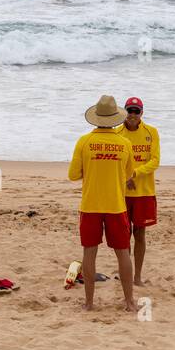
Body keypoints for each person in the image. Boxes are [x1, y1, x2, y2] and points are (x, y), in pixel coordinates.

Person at [69, 95, 136, 312]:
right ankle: (129, 302)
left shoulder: (84, 141)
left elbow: (73, 175)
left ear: (96, 117)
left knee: (89, 253)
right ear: (116, 118)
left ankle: (89, 303)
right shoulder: (124, 143)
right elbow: (129, 175)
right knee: (123, 252)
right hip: (116, 205)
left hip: (90, 205)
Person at [115, 97, 160, 286]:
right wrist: (126, 177)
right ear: (124, 112)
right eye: (129, 111)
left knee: (140, 234)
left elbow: (154, 161)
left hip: (144, 192)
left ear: (141, 113)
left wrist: (134, 173)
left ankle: (137, 276)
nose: (132, 115)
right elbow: (115, 161)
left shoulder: (152, 132)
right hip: (122, 193)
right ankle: (126, 273)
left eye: (136, 111)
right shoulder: (117, 133)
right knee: (123, 237)